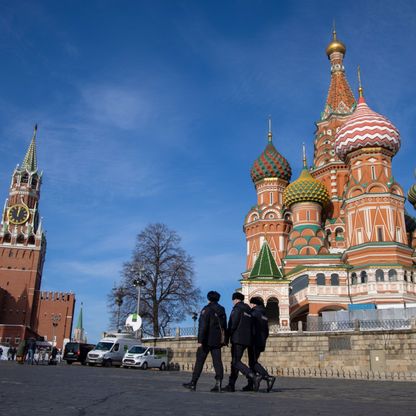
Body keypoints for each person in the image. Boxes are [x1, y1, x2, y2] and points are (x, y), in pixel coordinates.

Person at [183, 290, 227, 392]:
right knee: (217, 361)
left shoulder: (206, 309)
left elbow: (203, 326)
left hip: (206, 340)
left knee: (200, 361)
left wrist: (200, 340)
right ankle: (218, 382)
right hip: (217, 340)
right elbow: (224, 325)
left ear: (208, 298)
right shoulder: (222, 309)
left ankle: (193, 383)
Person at [223, 292, 262, 392]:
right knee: (235, 362)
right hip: (248, 340)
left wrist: (227, 336)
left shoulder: (237, 309)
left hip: (237, 339)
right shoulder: (249, 310)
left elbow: (233, 324)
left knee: (236, 361)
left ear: (235, 299)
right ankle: (231, 385)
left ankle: (253, 377)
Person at [242, 297, 276, 392]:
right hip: (261, 342)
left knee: (253, 362)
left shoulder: (254, 313)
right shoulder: (264, 315)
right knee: (253, 361)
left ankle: (268, 377)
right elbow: (266, 332)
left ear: (254, 304)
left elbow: (249, 327)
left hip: (254, 341)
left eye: (251, 304)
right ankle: (251, 384)